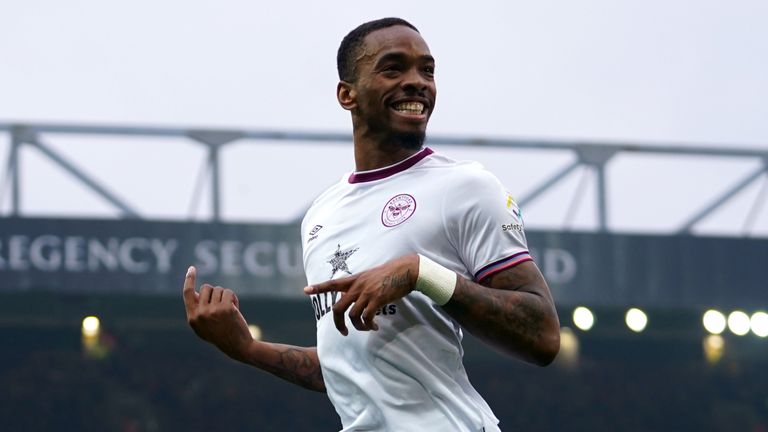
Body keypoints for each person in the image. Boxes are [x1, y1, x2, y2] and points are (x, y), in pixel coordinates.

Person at [182, 17, 560, 432]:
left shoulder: (465, 187)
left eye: (427, 70)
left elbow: (543, 336)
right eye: (393, 68)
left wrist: (420, 273)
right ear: (348, 94)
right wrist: (247, 348)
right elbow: (348, 370)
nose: (418, 82)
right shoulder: (320, 217)